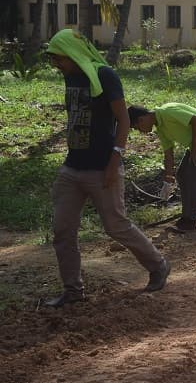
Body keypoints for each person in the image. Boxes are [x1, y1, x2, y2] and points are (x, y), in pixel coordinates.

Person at [44, 29, 169, 307]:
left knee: (116, 226)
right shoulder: (71, 76)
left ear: (72, 53)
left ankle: (158, 265)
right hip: (72, 168)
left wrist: (115, 161)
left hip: (102, 167)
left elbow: (123, 121)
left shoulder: (105, 76)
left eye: (59, 59)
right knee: (63, 230)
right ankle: (73, 290)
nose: (56, 65)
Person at [128, 103, 196, 233]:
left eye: (138, 128)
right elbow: (168, 154)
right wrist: (167, 181)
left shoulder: (168, 112)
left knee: (193, 177)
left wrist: (195, 148)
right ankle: (186, 217)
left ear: (141, 119)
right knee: (182, 174)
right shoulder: (161, 128)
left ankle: (190, 221)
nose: (141, 131)